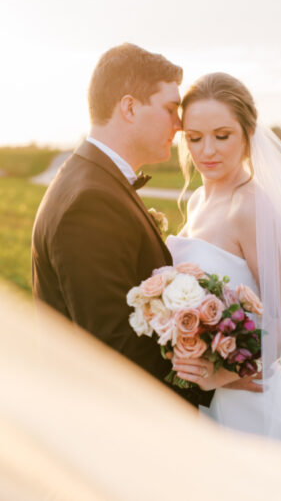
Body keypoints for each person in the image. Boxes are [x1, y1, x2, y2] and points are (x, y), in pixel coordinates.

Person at [167, 72, 281, 447]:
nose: (207, 151)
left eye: (222, 135)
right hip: (207, 398)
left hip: (250, 403)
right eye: (194, 138)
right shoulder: (198, 200)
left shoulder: (250, 206)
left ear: (248, 134)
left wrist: (225, 375)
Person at [31, 43, 213, 408]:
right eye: (170, 109)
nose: (180, 125)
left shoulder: (93, 180)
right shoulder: (90, 202)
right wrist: (213, 383)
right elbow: (116, 353)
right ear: (129, 107)